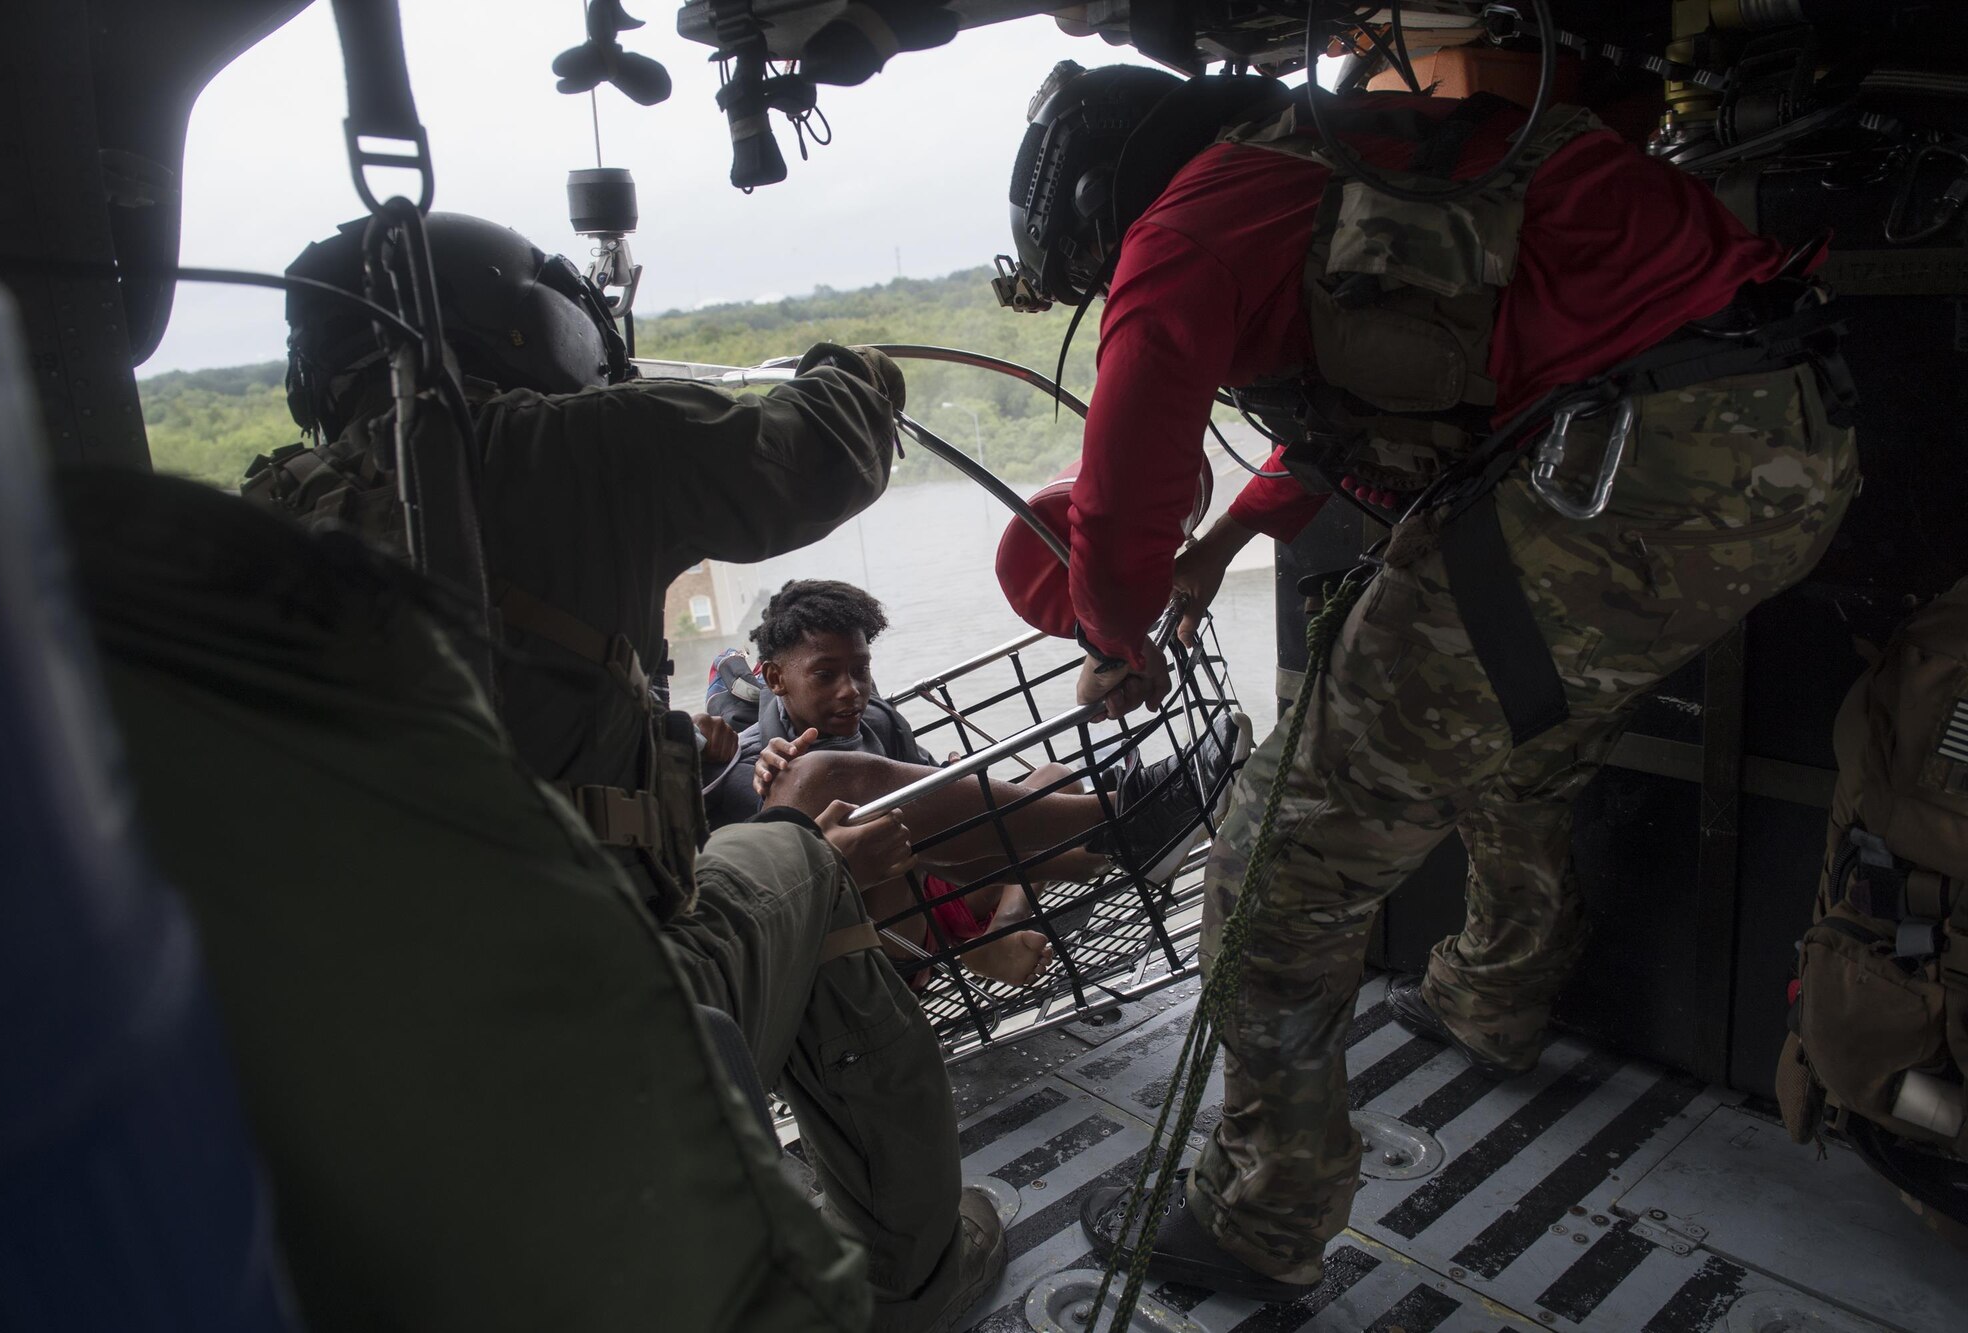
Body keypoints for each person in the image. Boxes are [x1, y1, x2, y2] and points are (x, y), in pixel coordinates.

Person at [992, 63, 1858, 1297]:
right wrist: (1226, 547)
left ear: (1098, 201)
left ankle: (1259, 1216)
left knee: (1276, 862)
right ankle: (1490, 993)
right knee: (1512, 727)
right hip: (1784, 440)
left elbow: (1119, 515)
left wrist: (1117, 637)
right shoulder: (1344, 156)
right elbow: (1362, 401)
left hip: (1628, 470)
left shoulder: (1178, 232)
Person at [244, 212, 998, 1332]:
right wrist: (849, 372)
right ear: (527, 325)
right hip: (577, 1031)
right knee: (801, 859)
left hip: (365, 1068)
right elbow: (822, 455)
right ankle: (908, 1279)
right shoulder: (561, 445)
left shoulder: (264, 523)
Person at [706, 578, 1249, 986]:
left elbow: (941, 817)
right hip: (881, 935)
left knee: (1056, 778)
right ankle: (1121, 831)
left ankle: (1011, 921)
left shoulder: (880, 721)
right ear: (775, 679)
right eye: (826, 675)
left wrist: (943, 778)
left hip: (952, 887)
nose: (852, 690)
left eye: (862, 671)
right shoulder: (759, 766)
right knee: (854, 800)